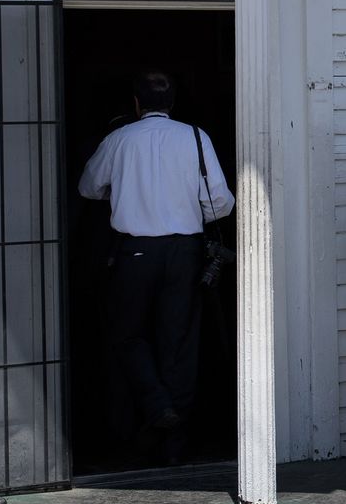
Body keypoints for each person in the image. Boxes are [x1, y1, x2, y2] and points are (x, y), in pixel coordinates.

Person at [76, 70, 234, 461]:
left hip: (135, 254)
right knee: (179, 343)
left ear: (136, 102)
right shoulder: (196, 137)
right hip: (185, 252)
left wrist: (124, 189)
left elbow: (88, 187)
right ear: (173, 103)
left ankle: (155, 403)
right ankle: (173, 442)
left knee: (127, 335)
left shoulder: (119, 140)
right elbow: (221, 203)